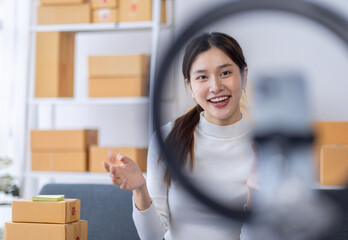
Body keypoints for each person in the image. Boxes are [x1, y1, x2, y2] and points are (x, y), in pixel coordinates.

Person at [104, 32, 256, 239]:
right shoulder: (168, 137)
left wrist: (256, 191)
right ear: (190, 87)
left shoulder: (265, 147)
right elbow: (153, 236)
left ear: (244, 75)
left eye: (225, 73)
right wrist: (140, 189)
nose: (215, 86)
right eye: (202, 77)